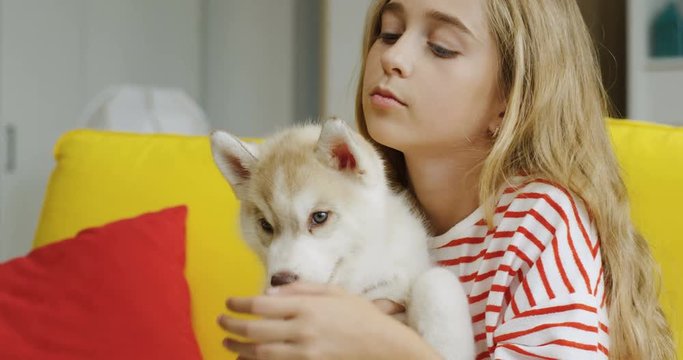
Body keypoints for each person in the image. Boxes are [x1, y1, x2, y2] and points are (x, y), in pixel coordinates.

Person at [217, 0, 675, 359]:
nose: (393, 56)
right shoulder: (349, 205)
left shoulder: (536, 222)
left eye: (441, 47)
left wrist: (385, 347)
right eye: (389, 32)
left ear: (511, 99)